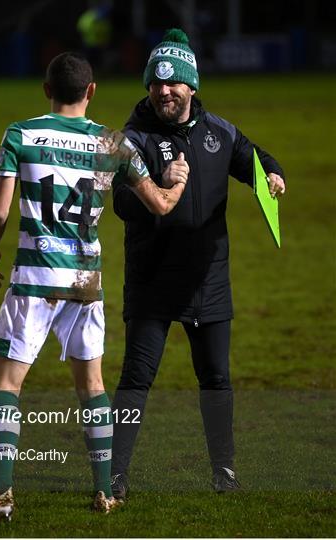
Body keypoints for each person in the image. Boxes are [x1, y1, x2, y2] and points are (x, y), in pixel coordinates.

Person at [0, 51, 188, 524]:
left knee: (5, 383)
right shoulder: (112, 143)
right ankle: (104, 493)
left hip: (34, 278)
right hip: (85, 281)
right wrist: (176, 183)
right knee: (92, 386)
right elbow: (158, 204)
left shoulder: (21, 134)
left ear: (47, 90)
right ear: (91, 91)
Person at [110, 29, 286, 499]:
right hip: (153, 279)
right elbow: (120, 203)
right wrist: (157, 184)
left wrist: (272, 174)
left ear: (192, 86)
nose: (164, 92)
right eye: (156, 84)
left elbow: (257, 158)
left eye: (173, 84)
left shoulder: (219, 133)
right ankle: (116, 474)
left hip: (209, 279)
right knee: (136, 377)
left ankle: (223, 472)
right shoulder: (134, 139)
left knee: (216, 378)